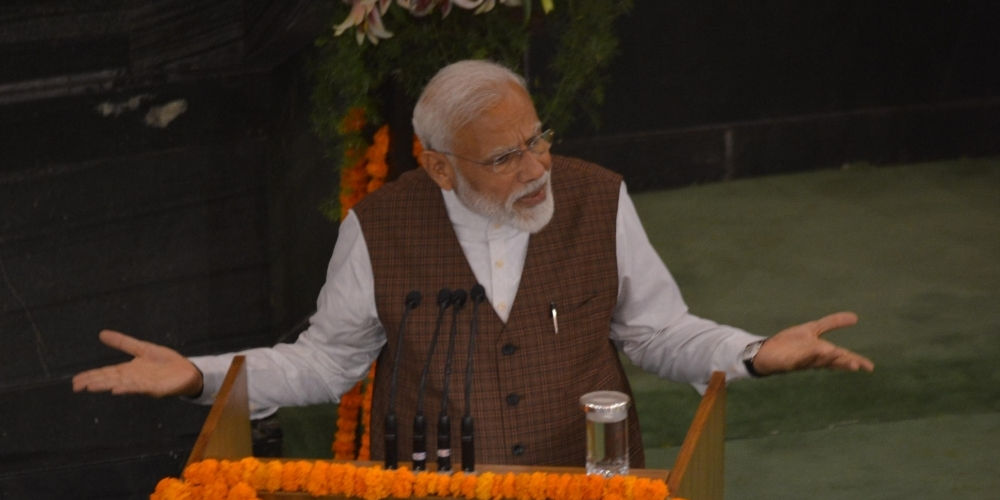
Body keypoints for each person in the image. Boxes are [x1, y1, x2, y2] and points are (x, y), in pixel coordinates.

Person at [73, 60, 874, 468]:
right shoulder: (378, 226)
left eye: (539, 140)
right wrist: (198, 376)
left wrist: (752, 354)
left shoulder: (599, 199)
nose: (536, 170)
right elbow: (325, 363)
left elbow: (657, 330)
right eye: (505, 157)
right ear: (439, 165)